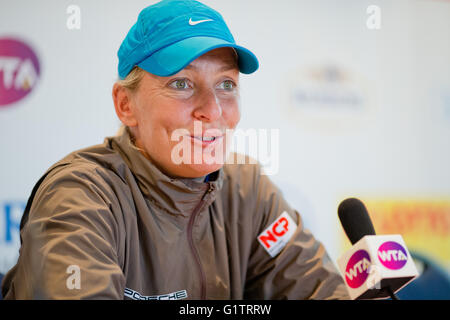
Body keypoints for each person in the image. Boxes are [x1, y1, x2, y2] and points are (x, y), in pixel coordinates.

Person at [1, 0, 349, 300]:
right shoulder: (80, 195)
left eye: (226, 85)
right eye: (181, 83)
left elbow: (319, 289)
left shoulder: (250, 191)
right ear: (126, 105)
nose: (212, 111)